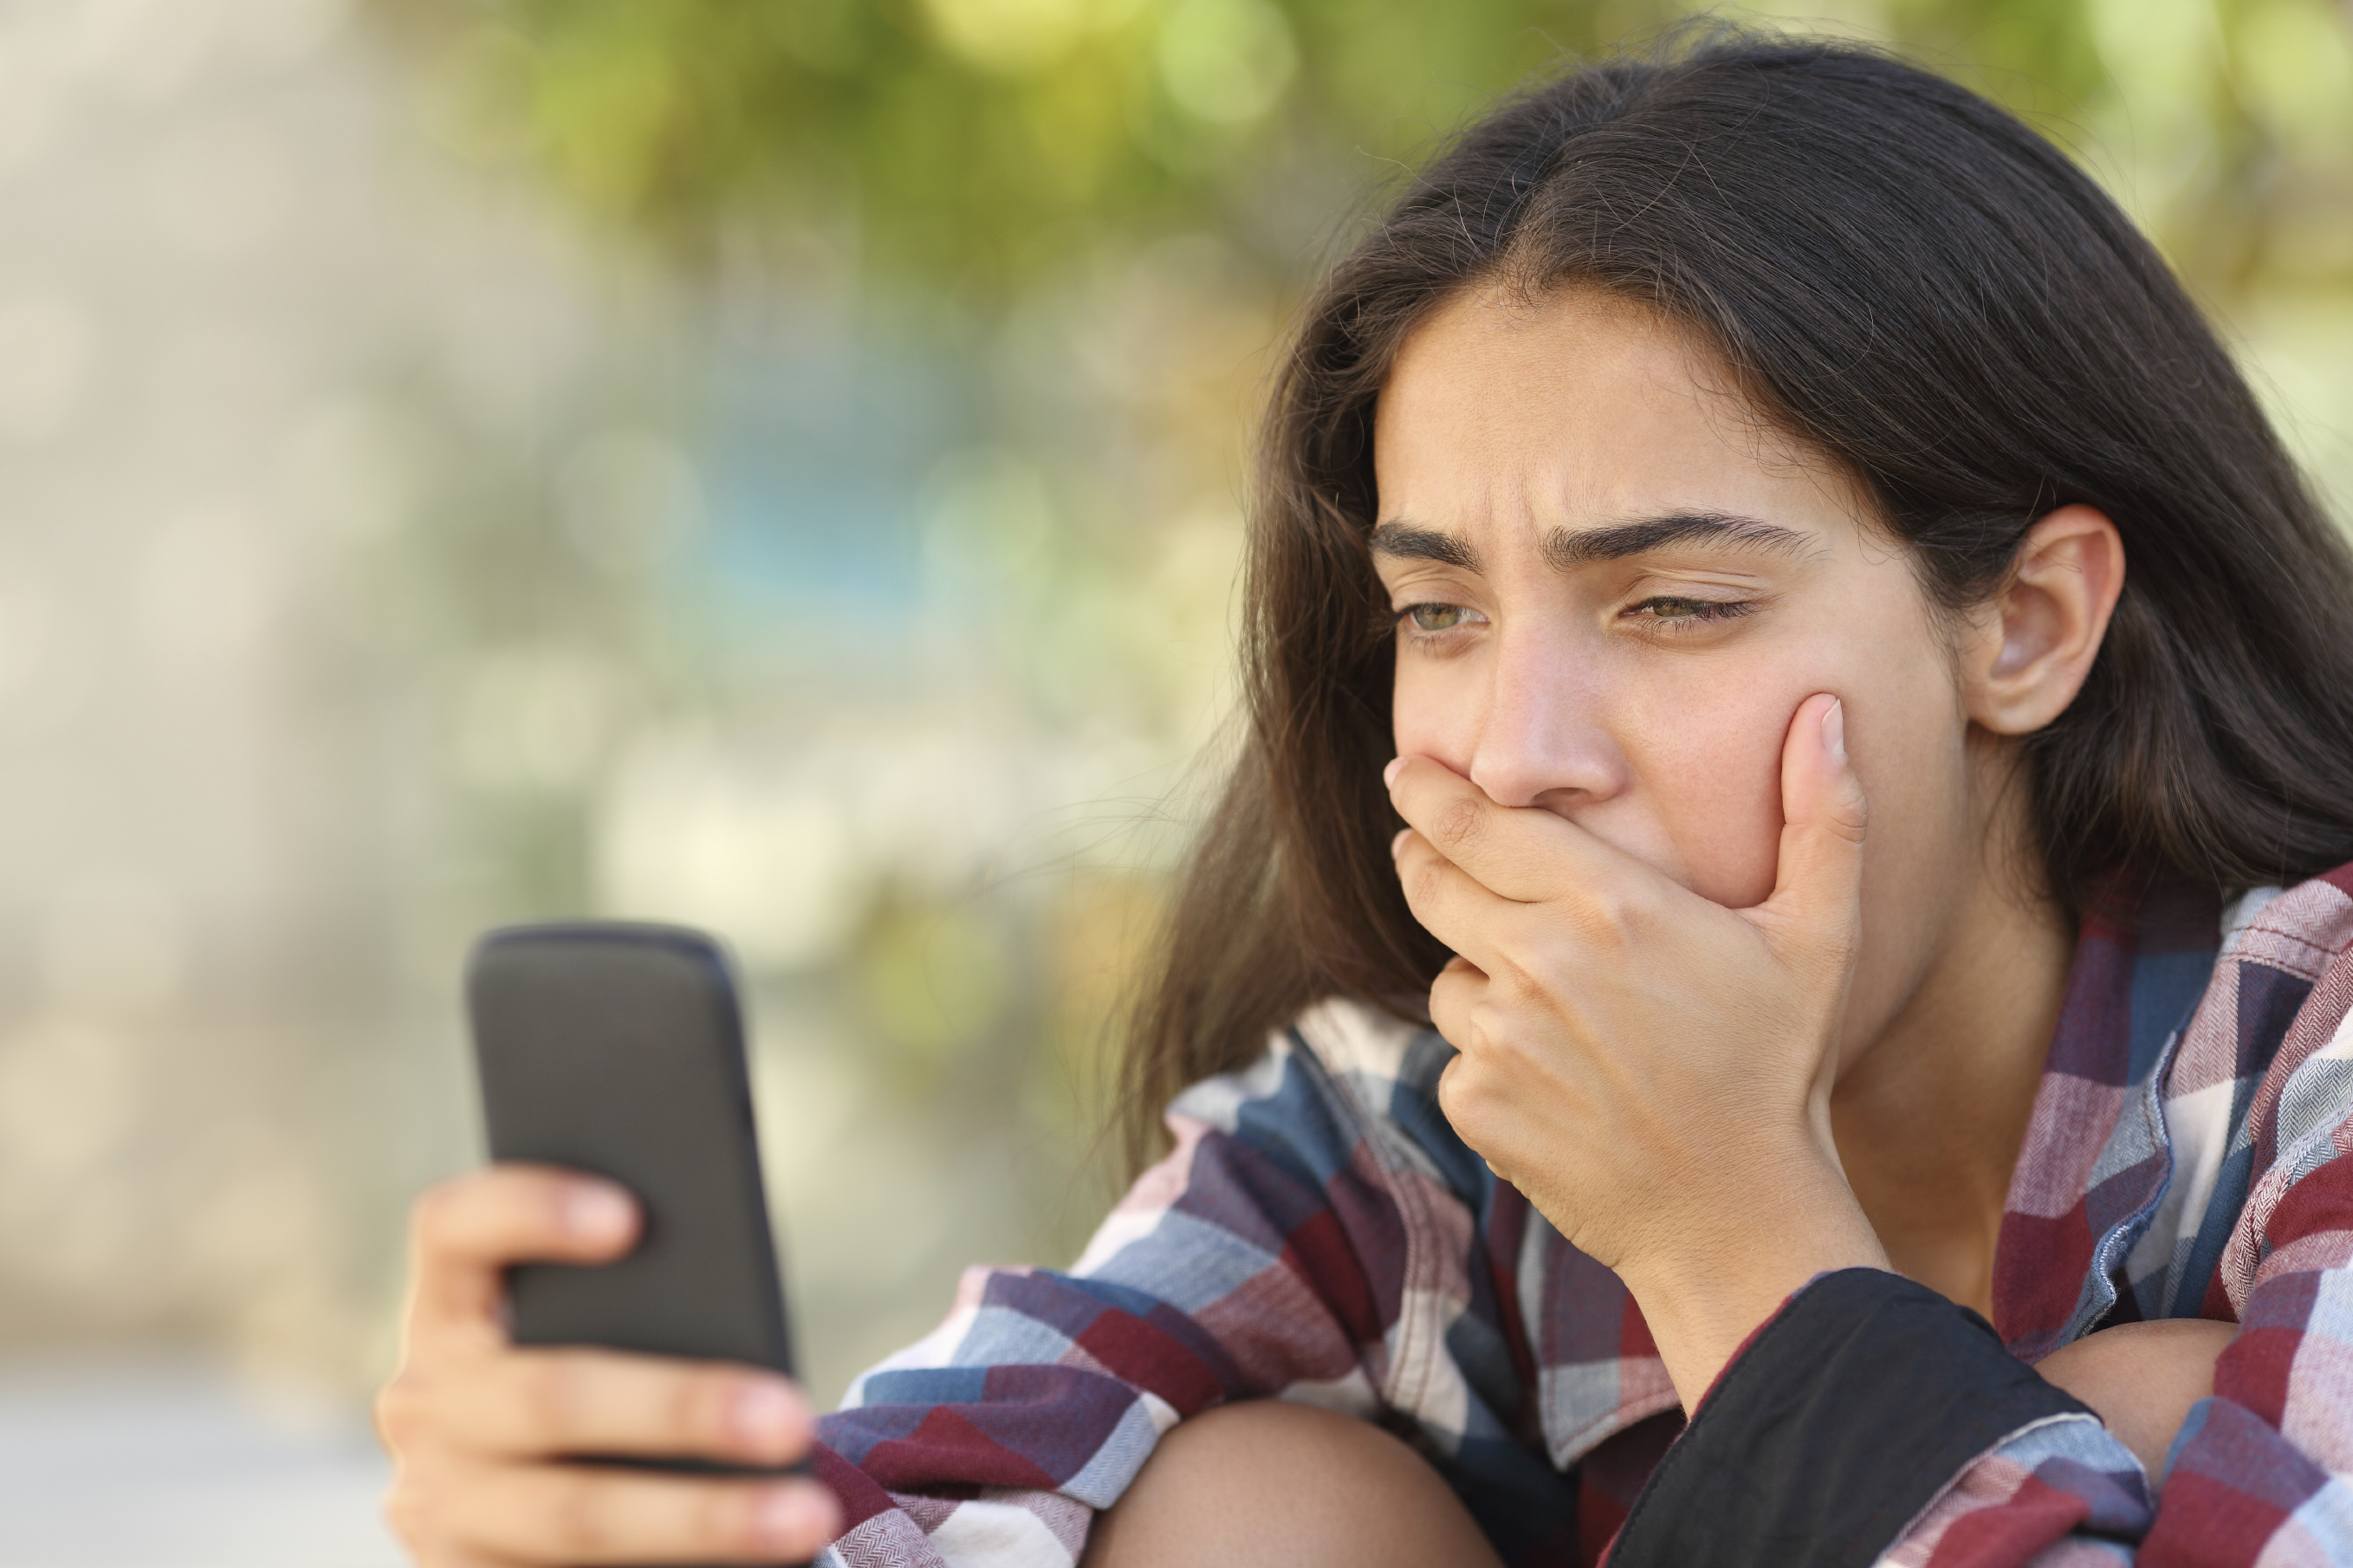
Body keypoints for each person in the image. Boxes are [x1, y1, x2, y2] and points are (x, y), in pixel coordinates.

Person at [373, 29, 2353, 1568]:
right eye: (1437, 608)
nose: (1513, 748)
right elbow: (949, 1487)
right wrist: (616, 1513)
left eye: (1671, 603)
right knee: (1243, 1503)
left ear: (2021, 620)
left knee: (2156, 1416)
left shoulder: (2309, 1049)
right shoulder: (1402, 1127)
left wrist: (1736, 1236)